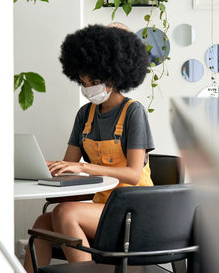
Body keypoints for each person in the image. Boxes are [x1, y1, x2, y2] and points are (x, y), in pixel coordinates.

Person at [23, 24, 155, 272]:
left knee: (65, 213)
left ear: (115, 76)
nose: (88, 88)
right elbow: (70, 168)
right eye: (83, 82)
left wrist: (83, 167)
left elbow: (134, 174)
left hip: (134, 210)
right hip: (102, 206)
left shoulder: (133, 112)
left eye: (94, 81)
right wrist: (49, 168)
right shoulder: (85, 114)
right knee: (42, 222)